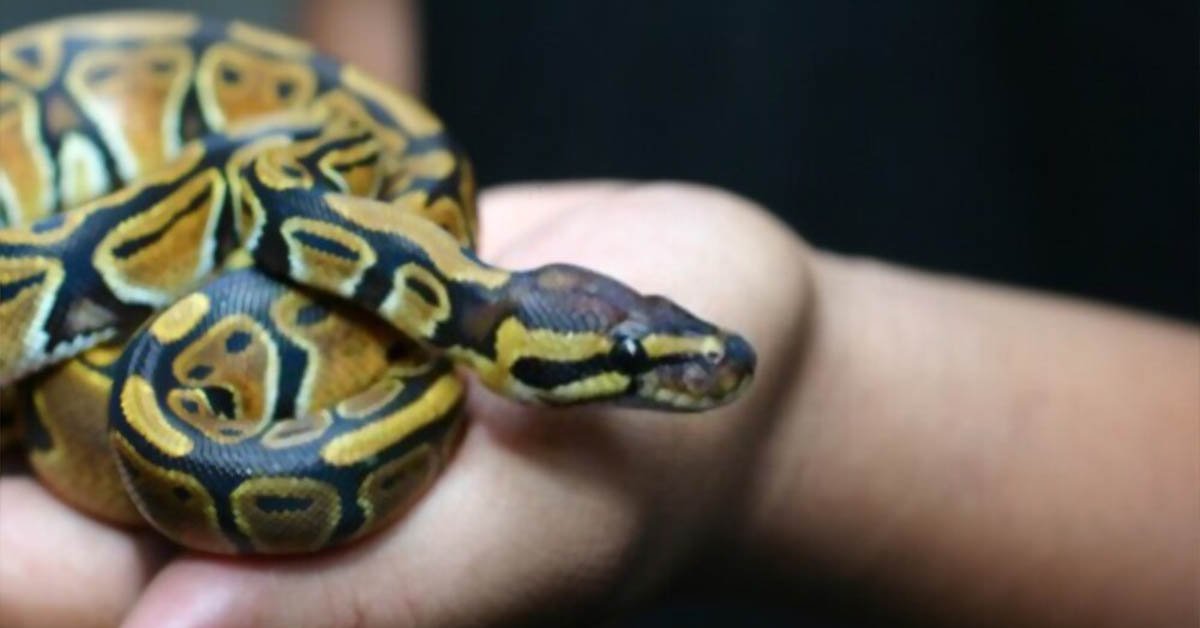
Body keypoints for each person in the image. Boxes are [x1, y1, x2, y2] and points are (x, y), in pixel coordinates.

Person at [1, 3, 1195, 626]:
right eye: (630, 356)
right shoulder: (402, 252)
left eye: (642, 349)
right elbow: (370, 96)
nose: (677, 365)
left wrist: (797, 421)